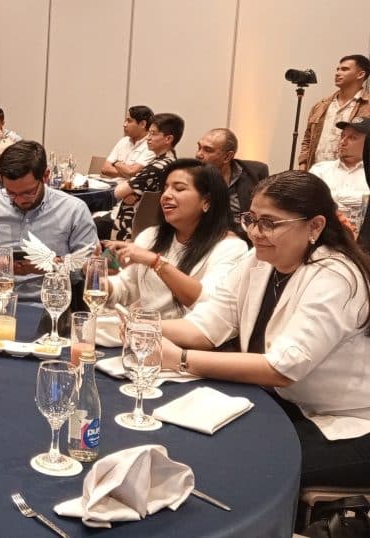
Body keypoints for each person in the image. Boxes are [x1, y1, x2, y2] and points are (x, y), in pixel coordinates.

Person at [158, 170, 370, 489]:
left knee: (245, 468)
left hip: (349, 421)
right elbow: (206, 326)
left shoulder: (336, 276)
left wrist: (181, 360)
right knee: (192, 441)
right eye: (251, 220)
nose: (256, 232)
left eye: (270, 223)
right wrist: (143, 328)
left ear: (315, 226)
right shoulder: (258, 260)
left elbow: (282, 368)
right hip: (287, 404)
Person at [101, 159, 248, 342]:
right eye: (165, 188)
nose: (166, 195)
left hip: (188, 345)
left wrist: (156, 262)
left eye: (179, 189)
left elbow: (207, 301)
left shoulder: (231, 247)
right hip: (142, 336)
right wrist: (99, 280)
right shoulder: (151, 235)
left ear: (206, 202)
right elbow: (126, 288)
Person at [0, 140, 98, 301]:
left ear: (45, 176)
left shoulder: (73, 210)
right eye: (10, 193)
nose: (19, 200)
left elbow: (90, 269)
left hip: (49, 303)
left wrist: (51, 265)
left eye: (28, 193)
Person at [100, 112, 184, 241]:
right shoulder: (171, 161)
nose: (147, 138)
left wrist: (132, 194)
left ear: (168, 139)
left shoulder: (157, 166)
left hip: (132, 227)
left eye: (153, 134)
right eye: (148, 133)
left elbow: (118, 192)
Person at [299, 54, 370, 170]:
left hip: (352, 173)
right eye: (338, 69)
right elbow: (307, 139)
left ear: (360, 74)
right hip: (316, 171)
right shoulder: (320, 105)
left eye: (344, 69)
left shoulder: (367, 106)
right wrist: (302, 166)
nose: (337, 73)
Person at [194, 128, 269, 221]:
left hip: (245, 228)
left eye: (208, 150)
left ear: (227, 156)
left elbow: (265, 209)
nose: (198, 154)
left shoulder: (255, 172)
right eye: (199, 148)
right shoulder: (192, 177)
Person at [309, 116, 368, 212]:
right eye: (342, 135)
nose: (343, 142)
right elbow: (310, 202)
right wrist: (362, 199)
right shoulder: (319, 170)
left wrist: (332, 198)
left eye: (352, 138)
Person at [101, 105, 155, 179]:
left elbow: (132, 172)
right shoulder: (123, 141)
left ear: (142, 124)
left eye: (129, 121)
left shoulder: (151, 145)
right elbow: (105, 169)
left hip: (131, 186)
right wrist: (126, 171)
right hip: (112, 183)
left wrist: (116, 163)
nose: (124, 125)